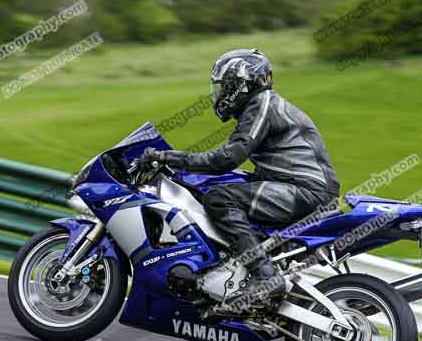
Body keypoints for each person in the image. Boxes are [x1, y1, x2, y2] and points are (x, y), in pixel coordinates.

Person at [135, 49, 340, 308]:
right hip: (302, 187)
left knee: (220, 198)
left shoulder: (262, 105)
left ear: (241, 84)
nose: (220, 93)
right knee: (225, 187)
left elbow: (227, 158)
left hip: (305, 191)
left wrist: (169, 158)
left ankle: (265, 276)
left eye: (225, 86)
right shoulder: (264, 106)